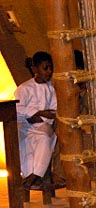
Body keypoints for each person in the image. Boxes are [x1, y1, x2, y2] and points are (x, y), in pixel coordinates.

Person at [15, 51, 57, 190]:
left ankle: (33, 176)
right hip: (24, 126)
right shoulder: (25, 88)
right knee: (24, 145)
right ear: (34, 69)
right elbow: (17, 109)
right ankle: (30, 176)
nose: (49, 72)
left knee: (46, 137)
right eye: (45, 68)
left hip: (42, 125)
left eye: (51, 68)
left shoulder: (51, 88)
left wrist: (41, 116)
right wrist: (36, 113)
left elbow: (53, 110)